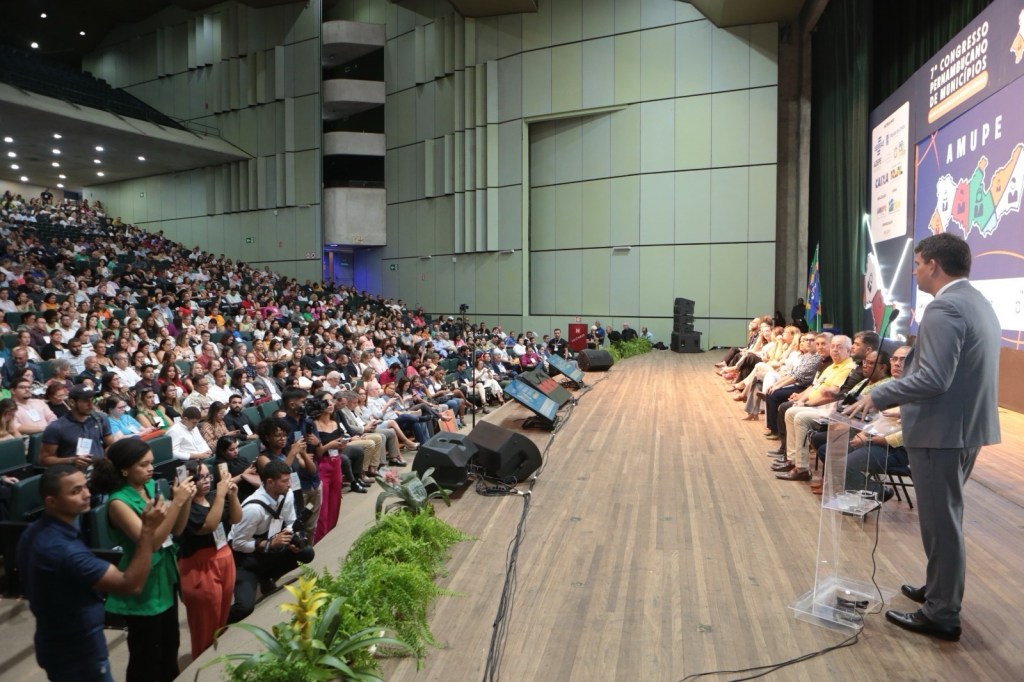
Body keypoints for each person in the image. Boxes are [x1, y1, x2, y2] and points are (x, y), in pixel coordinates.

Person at [847, 233, 1000, 642]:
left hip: (941, 432)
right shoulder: (976, 301)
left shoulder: (944, 307)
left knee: (941, 523)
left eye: (916, 264)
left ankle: (941, 613)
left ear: (933, 264)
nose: (913, 272)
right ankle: (938, 589)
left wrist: (878, 396)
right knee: (945, 519)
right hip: (963, 429)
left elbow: (934, 378)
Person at [18, 465, 168, 682]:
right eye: (75, 491)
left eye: (85, 487)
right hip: (78, 651)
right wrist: (147, 531)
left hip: (53, 639)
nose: (87, 494)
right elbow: (130, 584)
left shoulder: (33, 531)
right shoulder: (66, 552)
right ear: (51, 501)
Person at [90, 439, 196, 681]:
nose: (150, 468)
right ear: (124, 469)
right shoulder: (118, 502)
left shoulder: (149, 487)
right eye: (143, 464)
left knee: (170, 647)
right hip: (143, 583)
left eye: (151, 463)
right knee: (146, 657)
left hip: (164, 577)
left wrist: (186, 501)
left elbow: (176, 529)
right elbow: (151, 543)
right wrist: (177, 502)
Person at [227, 459, 315, 624]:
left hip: (271, 549)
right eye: (284, 481)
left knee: (306, 553)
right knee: (244, 608)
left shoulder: (287, 494)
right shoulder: (252, 509)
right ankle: (220, 623)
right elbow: (237, 543)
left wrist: (291, 539)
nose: (289, 484)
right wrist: (268, 544)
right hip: (246, 559)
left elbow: (290, 522)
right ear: (269, 482)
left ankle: (267, 577)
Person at [176, 459, 242, 659]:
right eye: (200, 477)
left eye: (208, 476)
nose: (206, 481)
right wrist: (221, 495)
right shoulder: (186, 507)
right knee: (206, 622)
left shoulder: (213, 497)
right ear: (189, 481)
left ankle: (219, 659)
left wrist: (233, 495)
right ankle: (202, 661)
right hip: (200, 566)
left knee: (222, 616)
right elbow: (208, 526)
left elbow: (236, 518)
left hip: (224, 556)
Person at [39, 386, 115, 468]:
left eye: (92, 400)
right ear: (72, 402)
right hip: (72, 472)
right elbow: (44, 460)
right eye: (86, 401)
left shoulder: (100, 418)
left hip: (99, 469)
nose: (91, 405)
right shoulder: (56, 427)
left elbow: (111, 445)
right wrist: (71, 460)